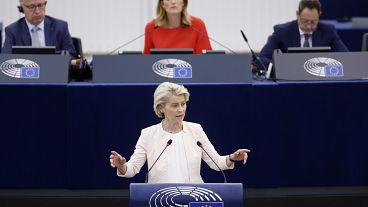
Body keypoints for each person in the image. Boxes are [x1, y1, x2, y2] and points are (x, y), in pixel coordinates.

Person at [110, 82, 250, 183]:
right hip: (160, 198)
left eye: (183, 104)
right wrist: (122, 166)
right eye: (175, 105)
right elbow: (132, 168)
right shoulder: (148, 134)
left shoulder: (196, 130)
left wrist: (232, 157)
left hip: (194, 197)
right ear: (161, 107)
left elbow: (216, 162)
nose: (181, 110)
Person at [259, 0, 349, 67]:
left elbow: (346, 58)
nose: (309, 27)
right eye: (305, 21)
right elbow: (262, 58)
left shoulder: (328, 31)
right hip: (291, 80)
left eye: (313, 22)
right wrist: (282, 68)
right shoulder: (282, 31)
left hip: (319, 79)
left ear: (319, 15)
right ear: (297, 14)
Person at [2, 0, 76, 58]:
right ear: (21, 8)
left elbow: (71, 56)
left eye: (40, 5)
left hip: (54, 73)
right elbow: (6, 60)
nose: (37, 11)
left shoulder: (60, 26)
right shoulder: (12, 31)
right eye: (31, 6)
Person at [144, 0, 212, 54]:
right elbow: (146, 62)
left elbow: (205, 60)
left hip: (192, 71)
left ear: (183, 2)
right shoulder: (151, 27)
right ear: (162, 4)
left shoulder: (198, 25)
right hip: (161, 71)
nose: (173, 2)